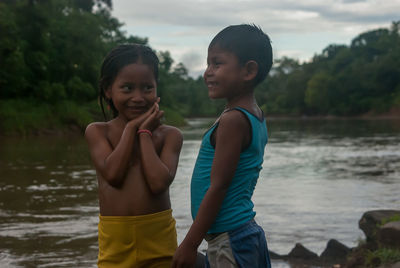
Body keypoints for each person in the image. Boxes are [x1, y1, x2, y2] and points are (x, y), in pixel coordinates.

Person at [172, 24, 273, 268]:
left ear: (248, 71)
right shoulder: (253, 115)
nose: (208, 72)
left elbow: (218, 187)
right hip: (242, 234)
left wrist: (189, 244)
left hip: (231, 239)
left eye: (217, 64)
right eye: (208, 64)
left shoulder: (233, 120)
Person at [85, 44, 183, 268]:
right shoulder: (98, 132)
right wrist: (131, 130)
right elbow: (113, 174)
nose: (138, 97)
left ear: (157, 89)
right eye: (127, 88)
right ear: (108, 90)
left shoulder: (170, 136)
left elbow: (158, 183)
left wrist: (144, 133)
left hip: (159, 240)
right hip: (115, 245)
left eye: (147, 88)